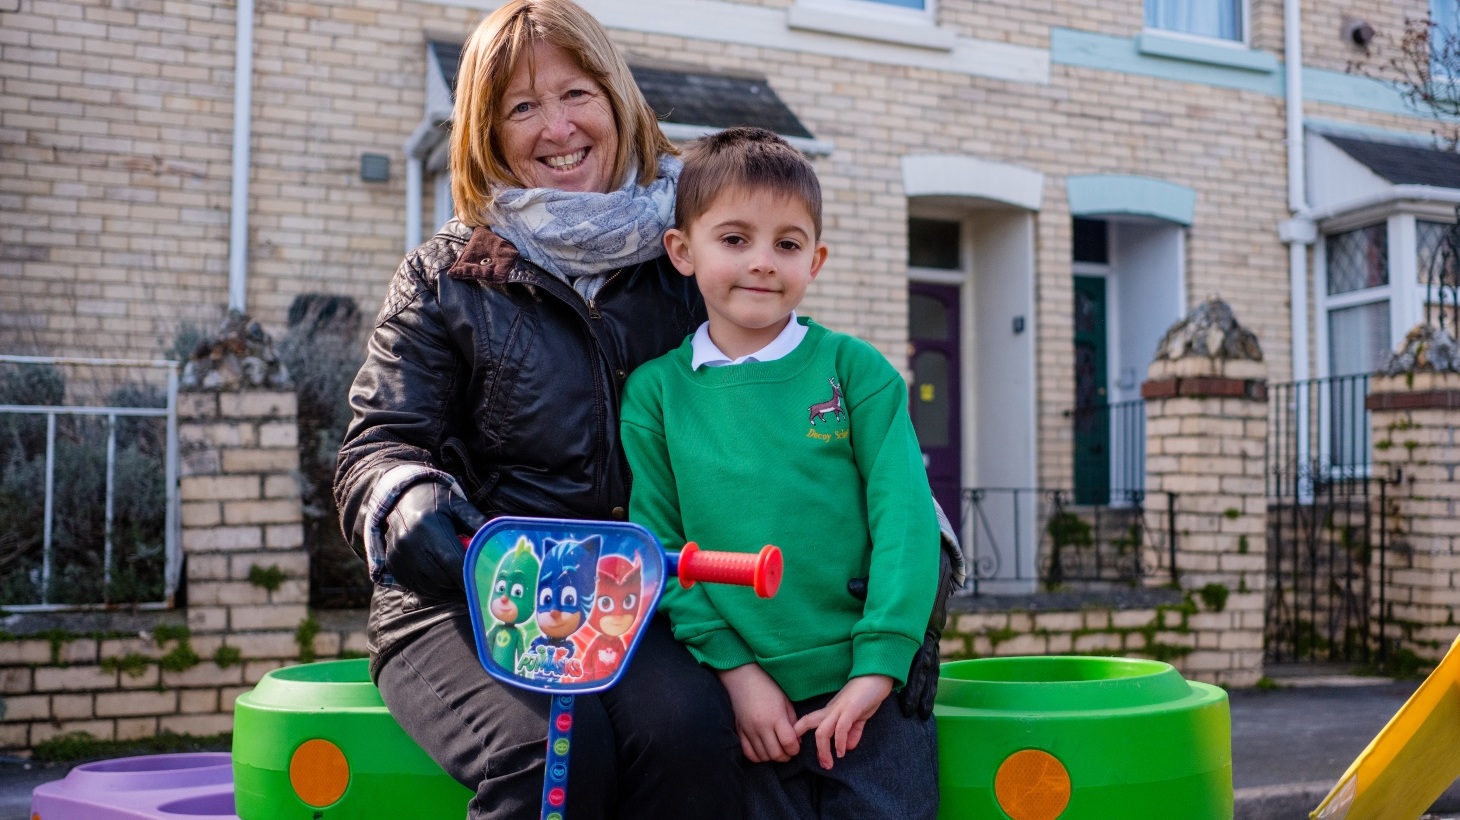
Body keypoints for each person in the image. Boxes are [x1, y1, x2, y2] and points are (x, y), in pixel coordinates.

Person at [332, 2, 743, 818]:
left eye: (575, 94)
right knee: (552, 751)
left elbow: (793, 381)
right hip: (470, 602)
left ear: (617, 98)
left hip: (626, 599)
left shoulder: (691, 264)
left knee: (693, 735)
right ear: (489, 132)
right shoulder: (442, 278)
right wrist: (405, 500)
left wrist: (890, 498)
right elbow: (377, 444)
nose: (557, 127)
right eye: (522, 106)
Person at [620, 127, 944, 819]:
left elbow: (906, 527)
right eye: (734, 239)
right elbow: (661, 552)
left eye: (787, 244)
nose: (763, 262)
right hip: (744, 698)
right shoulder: (655, 395)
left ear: (815, 260)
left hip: (868, 693)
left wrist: (879, 668)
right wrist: (737, 675)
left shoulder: (857, 373)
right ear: (683, 250)